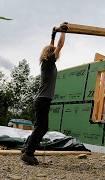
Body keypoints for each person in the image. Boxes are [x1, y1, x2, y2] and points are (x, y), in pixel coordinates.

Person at [21, 23, 68, 165]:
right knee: (42, 128)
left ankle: (26, 150)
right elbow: (59, 46)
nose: (57, 53)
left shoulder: (48, 63)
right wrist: (64, 33)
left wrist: (53, 34)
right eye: (53, 51)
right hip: (43, 100)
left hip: (42, 100)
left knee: (39, 127)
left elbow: (54, 46)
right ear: (50, 54)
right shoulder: (48, 63)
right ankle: (28, 153)